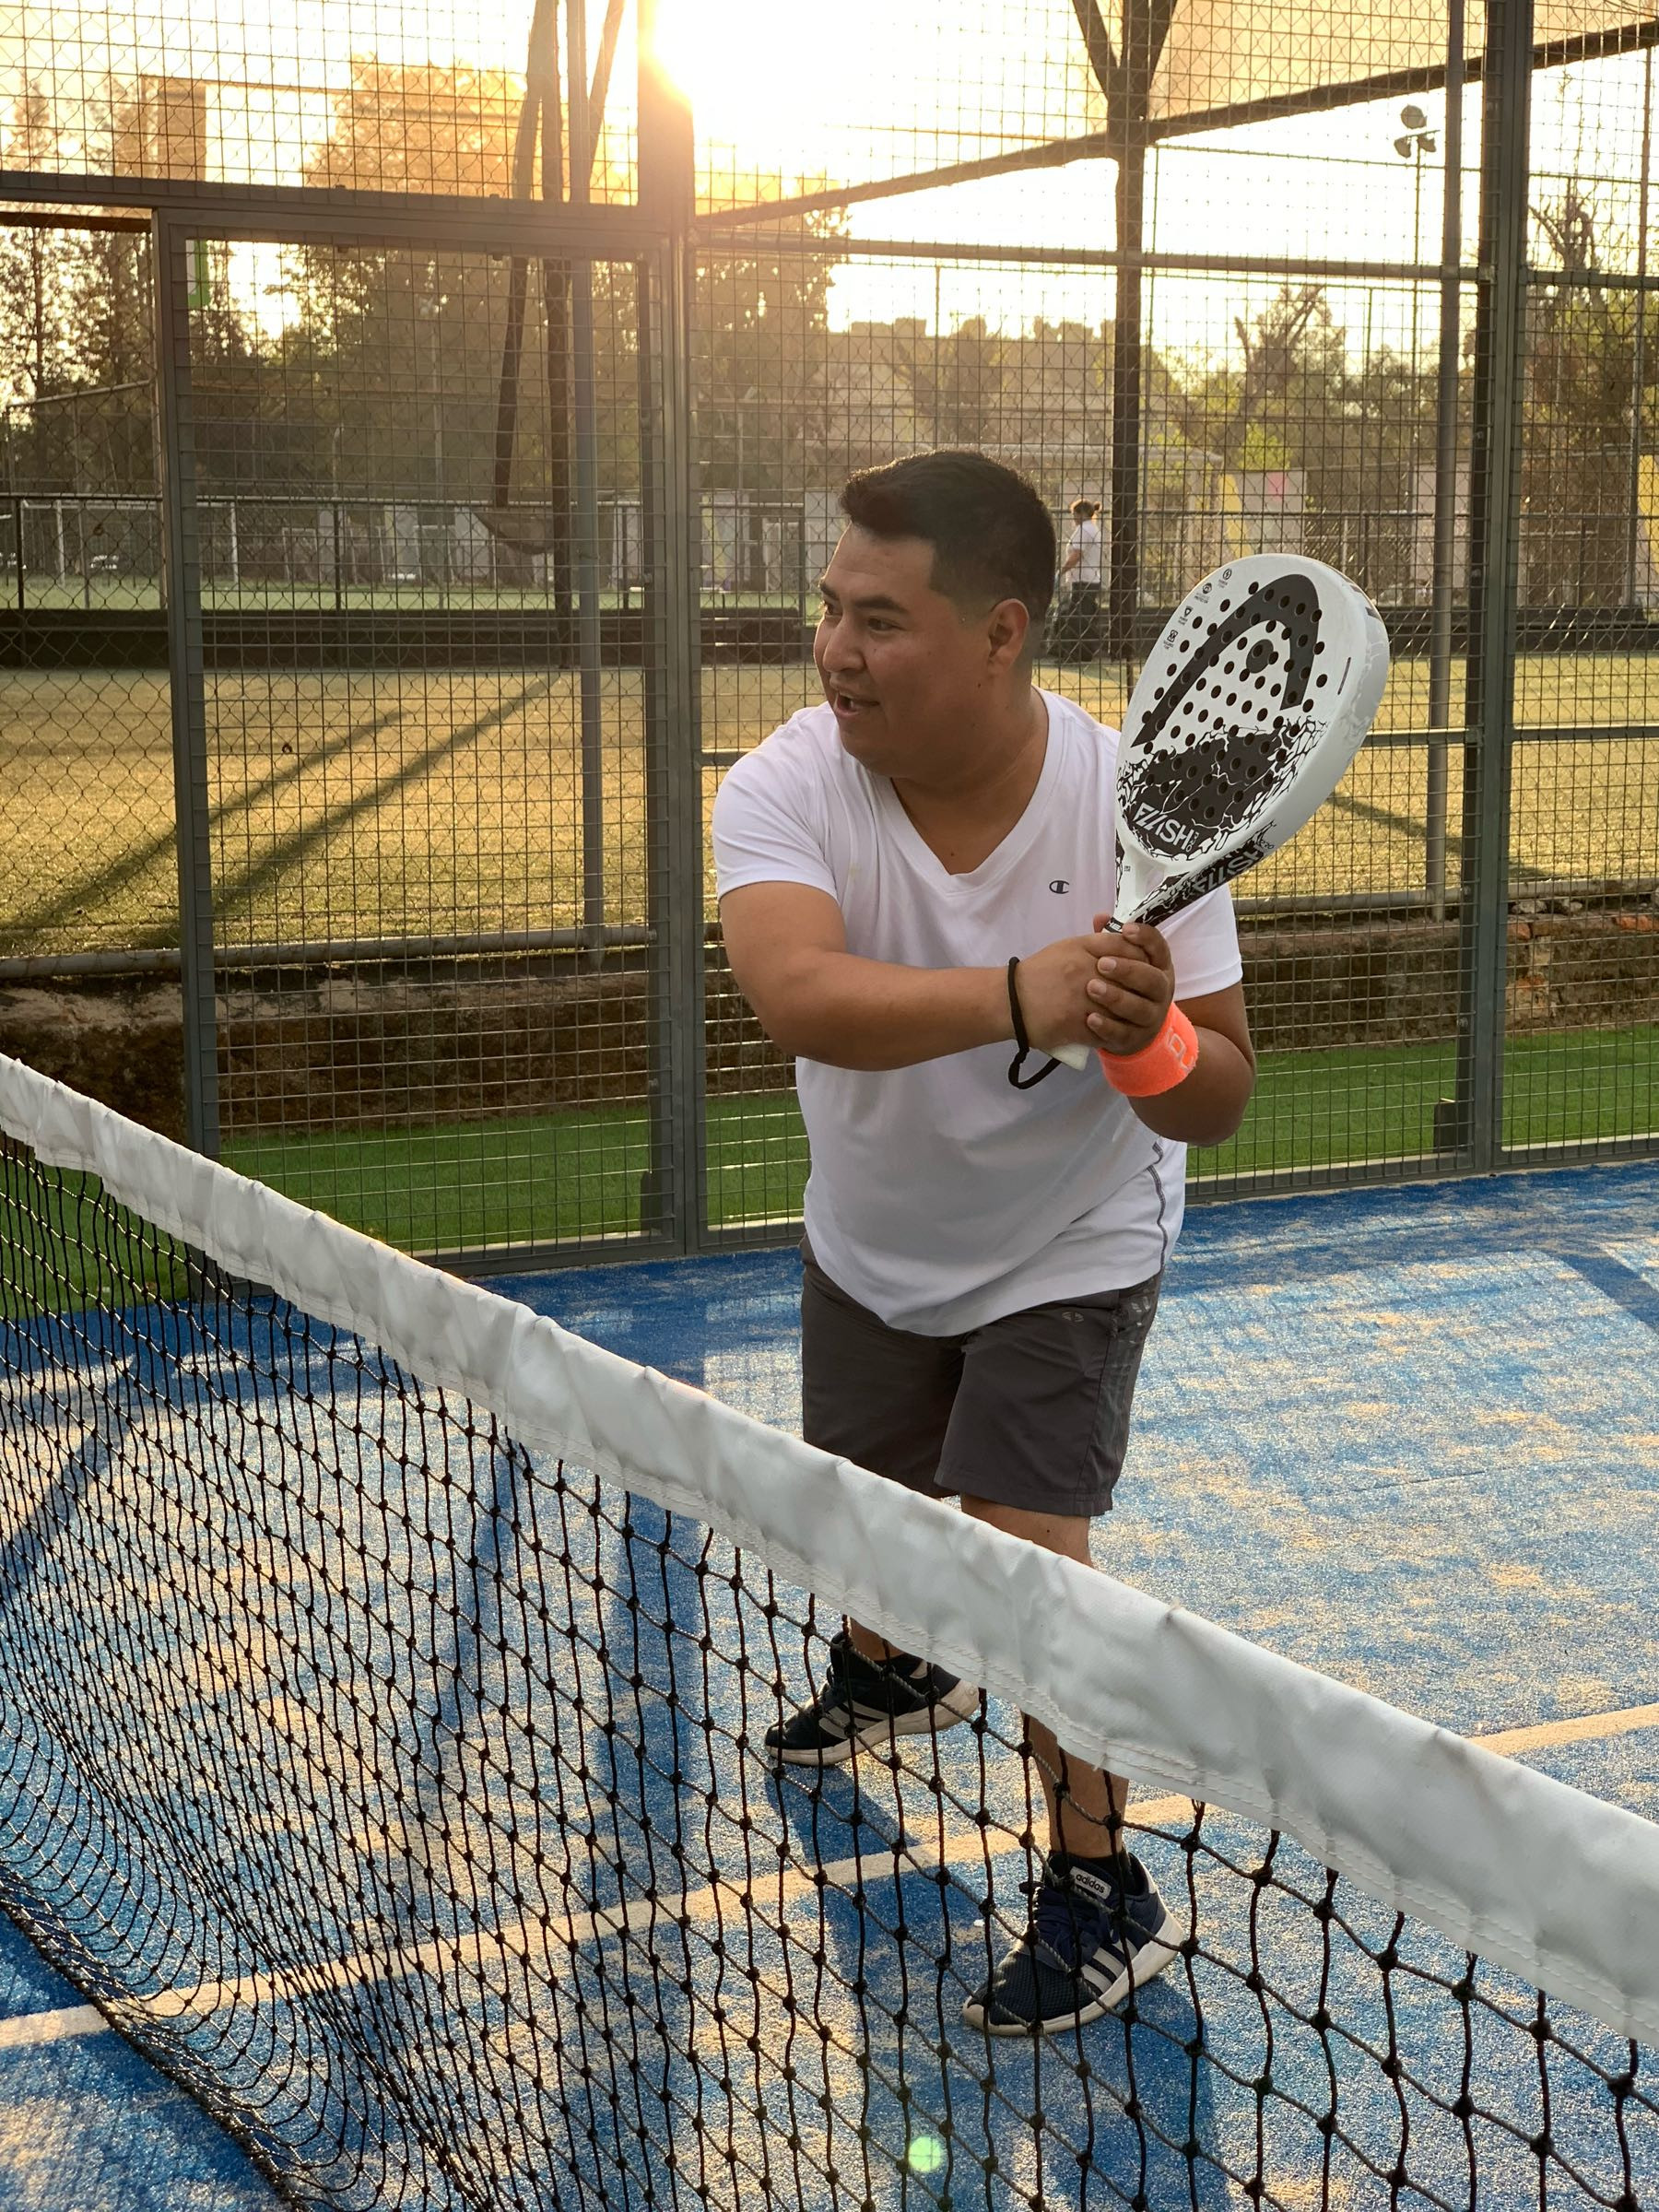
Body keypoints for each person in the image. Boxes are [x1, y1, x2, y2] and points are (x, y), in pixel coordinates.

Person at [711, 451, 1255, 2037]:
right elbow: (798, 996)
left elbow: (1217, 1093)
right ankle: (894, 1668)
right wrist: (1028, 994)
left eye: (880, 619)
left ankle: (1100, 1880)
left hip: (1073, 1237)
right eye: (831, 610)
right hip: (875, 1233)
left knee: (1024, 1557)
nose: (836, 649)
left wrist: (1148, 1036)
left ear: (1003, 630)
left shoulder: (1143, 806)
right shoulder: (787, 784)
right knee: (868, 1515)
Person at [1056, 495, 1103, 662]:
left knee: (1075, 619)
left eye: (1074, 514)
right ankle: (1084, 653)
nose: (1073, 518)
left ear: (1081, 513)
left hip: (1083, 580)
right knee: (1083, 618)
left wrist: (1061, 572)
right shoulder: (1093, 529)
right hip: (1090, 579)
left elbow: (1076, 555)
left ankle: (1075, 653)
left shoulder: (1084, 530)